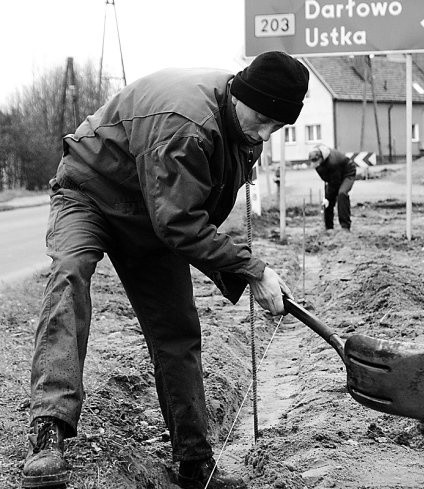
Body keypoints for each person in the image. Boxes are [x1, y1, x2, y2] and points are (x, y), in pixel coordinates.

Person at [22, 51, 309, 489]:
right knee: (70, 273)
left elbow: (189, 207)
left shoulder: (242, 122)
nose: (266, 132)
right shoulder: (186, 123)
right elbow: (179, 223)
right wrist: (252, 270)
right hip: (90, 191)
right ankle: (48, 432)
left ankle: (195, 463)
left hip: (150, 210)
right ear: (242, 95)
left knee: (177, 327)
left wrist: (245, 269)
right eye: (264, 118)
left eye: (278, 125)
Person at [308, 144, 356, 231]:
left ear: (321, 158)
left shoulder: (333, 162)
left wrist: (328, 196)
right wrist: (327, 198)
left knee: (342, 194)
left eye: (315, 162)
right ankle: (329, 227)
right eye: (312, 162)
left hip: (347, 172)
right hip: (334, 176)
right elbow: (326, 178)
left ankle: (345, 227)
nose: (313, 165)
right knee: (327, 201)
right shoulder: (318, 163)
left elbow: (335, 183)